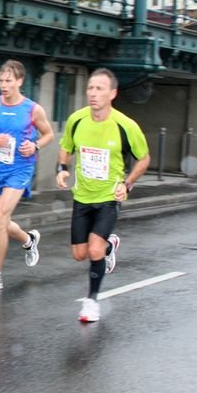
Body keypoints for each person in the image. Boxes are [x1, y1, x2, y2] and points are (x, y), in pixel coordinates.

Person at [56, 67, 150, 322]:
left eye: (99, 89)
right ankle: (110, 245)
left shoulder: (126, 125)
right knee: (80, 254)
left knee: (94, 252)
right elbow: (65, 148)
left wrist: (127, 184)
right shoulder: (77, 119)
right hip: (82, 196)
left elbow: (144, 158)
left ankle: (91, 302)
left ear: (113, 93)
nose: (93, 93)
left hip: (109, 197)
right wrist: (62, 169)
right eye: (90, 88)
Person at [0, 59, 54, 293]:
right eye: (1, 80)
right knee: (2, 221)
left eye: (8, 80)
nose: (3, 84)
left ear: (20, 81)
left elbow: (48, 134)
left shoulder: (32, 109)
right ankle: (29, 240)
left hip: (20, 169)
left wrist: (36, 146)